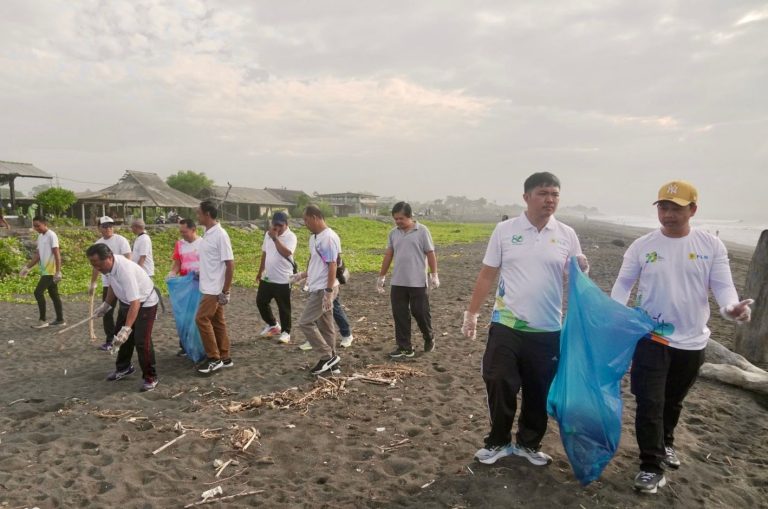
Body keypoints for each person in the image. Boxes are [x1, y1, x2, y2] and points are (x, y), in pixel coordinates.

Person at [610, 180, 753, 494]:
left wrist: (732, 309)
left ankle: (667, 442)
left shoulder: (711, 246)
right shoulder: (642, 246)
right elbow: (622, 286)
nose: (668, 214)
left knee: (672, 402)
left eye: (676, 208)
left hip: (692, 342)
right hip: (651, 337)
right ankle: (650, 466)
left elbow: (723, 288)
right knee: (650, 402)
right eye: (663, 207)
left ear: (693, 209)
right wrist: (614, 313)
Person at [461, 172, 587, 467]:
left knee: (538, 390)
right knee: (498, 379)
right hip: (508, 322)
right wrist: (472, 313)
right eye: (543, 193)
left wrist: (582, 268)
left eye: (555, 194)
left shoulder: (567, 234)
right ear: (526, 197)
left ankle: (529, 444)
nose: (550, 200)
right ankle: (499, 441)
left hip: (547, 328)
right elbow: (487, 273)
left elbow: (574, 279)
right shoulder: (505, 230)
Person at [87, 243, 160, 392]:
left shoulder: (124, 270)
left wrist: (127, 329)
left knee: (141, 341)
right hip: (127, 302)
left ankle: (151, 377)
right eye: (93, 264)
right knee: (118, 337)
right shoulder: (108, 268)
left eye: (98, 264)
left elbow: (136, 302)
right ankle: (124, 368)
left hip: (145, 303)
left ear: (108, 258)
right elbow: (113, 285)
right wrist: (106, 305)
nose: (97, 268)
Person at [377, 201, 439, 357]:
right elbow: (389, 254)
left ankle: (429, 337)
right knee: (400, 315)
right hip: (398, 281)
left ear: (410, 217)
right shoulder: (393, 233)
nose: (398, 222)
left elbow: (430, 253)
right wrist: (382, 276)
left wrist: (434, 274)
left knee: (420, 312)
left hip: (417, 281)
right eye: (395, 219)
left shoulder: (422, 231)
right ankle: (405, 347)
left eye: (401, 219)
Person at [292, 205, 342, 375]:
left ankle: (326, 356)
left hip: (324, 288)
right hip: (318, 285)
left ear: (315, 217)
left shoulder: (328, 238)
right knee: (326, 326)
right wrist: (302, 275)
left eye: (306, 219)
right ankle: (332, 362)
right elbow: (316, 263)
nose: (305, 223)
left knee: (305, 322)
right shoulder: (314, 238)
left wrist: (328, 292)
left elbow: (332, 265)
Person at [195, 200, 235, 374]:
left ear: (207, 214)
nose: (197, 216)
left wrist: (225, 290)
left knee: (201, 319)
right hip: (208, 284)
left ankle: (214, 358)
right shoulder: (207, 232)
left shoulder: (220, 234)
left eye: (199, 213)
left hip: (214, 288)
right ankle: (225, 357)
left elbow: (230, 264)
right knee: (218, 322)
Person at [89, 216, 131, 351]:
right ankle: (109, 340)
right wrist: (93, 283)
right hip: (108, 283)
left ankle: (124, 337)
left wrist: (125, 277)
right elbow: (95, 265)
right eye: (105, 226)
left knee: (125, 310)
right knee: (106, 311)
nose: (108, 228)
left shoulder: (121, 240)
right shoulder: (98, 244)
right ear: (99, 228)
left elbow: (128, 260)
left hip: (123, 282)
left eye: (110, 226)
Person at [255, 211, 297, 344]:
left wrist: (275, 238)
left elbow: (286, 252)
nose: (277, 228)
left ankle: (286, 332)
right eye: (275, 225)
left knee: (283, 307)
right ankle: (273, 325)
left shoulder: (291, 236)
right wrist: (260, 271)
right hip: (268, 277)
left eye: (280, 225)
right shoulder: (268, 235)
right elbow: (265, 253)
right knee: (261, 301)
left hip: (283, 278)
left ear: (286, 224)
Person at [19, 216, 65, 328]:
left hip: (51, 271)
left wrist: (58, 271)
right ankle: (60, 320)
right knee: (54, 295)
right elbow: (38, 255)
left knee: (38, 292)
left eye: (38, 225)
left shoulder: (51, 235)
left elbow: (57, 254)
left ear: (45, 224)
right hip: (45, 270)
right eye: (34, 226)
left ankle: (43, 320)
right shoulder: (40, 236)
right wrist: (27, 268)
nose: (36, 228)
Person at [167, 218, 202, 357]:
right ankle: (185, 346)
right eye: (181, 232)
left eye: (185, 231)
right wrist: (172, 273)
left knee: (199, 317)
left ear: (193, 230)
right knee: (185, 316)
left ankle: (202, 346)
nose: (182, 234)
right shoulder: (179, 244)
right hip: (186, 286)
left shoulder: (203, 243)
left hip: (201, 285)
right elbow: (177, 264)